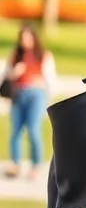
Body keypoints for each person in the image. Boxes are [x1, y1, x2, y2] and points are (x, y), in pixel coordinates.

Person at [3, 23, 56, 179]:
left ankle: (36, 165)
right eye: (22, 38)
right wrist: (14, 72)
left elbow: (50, 79)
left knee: (33, 130)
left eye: (28, 37)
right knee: (16, 131)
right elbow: (6, 77)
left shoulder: (43, 55)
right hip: (18, 94)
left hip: (36, 94)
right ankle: (15, 164)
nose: (25, 40)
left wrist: (48, 98)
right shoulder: (15, 55)